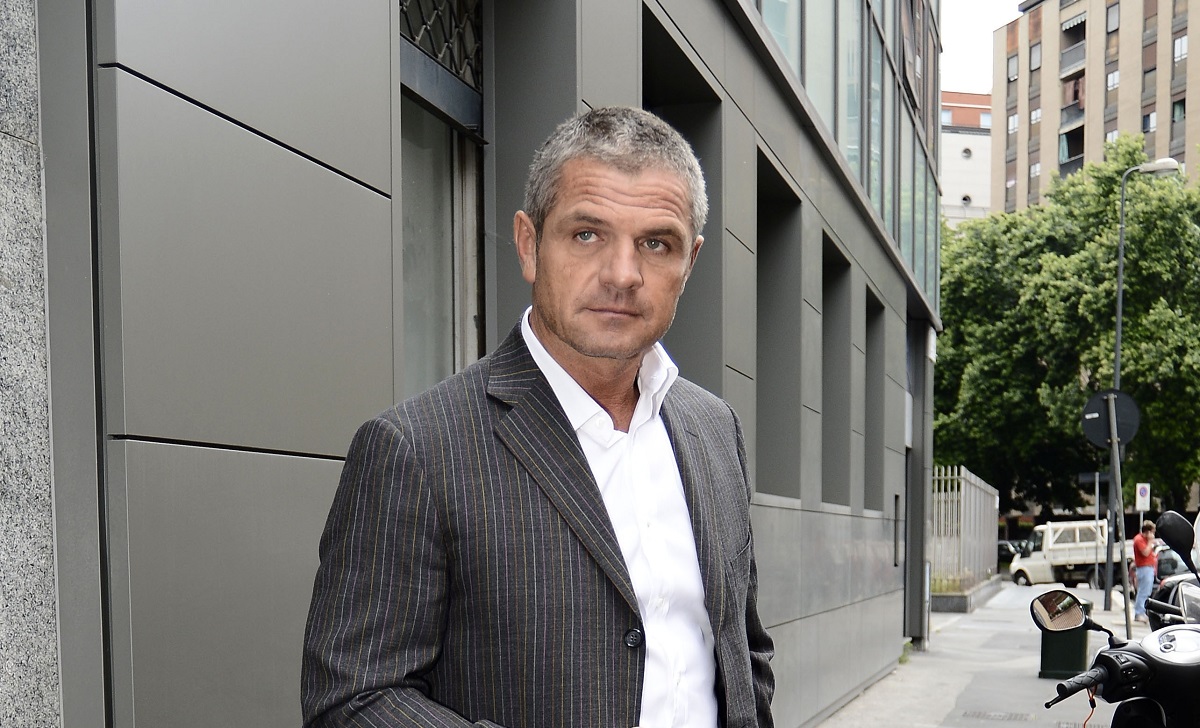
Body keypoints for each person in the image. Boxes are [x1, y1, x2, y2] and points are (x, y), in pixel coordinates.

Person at [301, 106, 775, 728]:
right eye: (587, 234)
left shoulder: (714, 428)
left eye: (656, 244)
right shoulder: (415, 449)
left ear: (689, 263)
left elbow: (743, 654)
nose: (623, 275)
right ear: (529, 245)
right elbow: (353, 700)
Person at [1133, 520, 1158, 623]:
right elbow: (1145, 552)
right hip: (1144, 568)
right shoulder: (1139, 540)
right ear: (1148, 532)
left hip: (1148, 568)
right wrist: (1150, 541)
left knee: (1146, 591)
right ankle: (1139, 613)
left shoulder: (1143, 540)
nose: (1153, 535)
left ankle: (1141, 612)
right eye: (1152, 532)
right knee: (1143, 592)